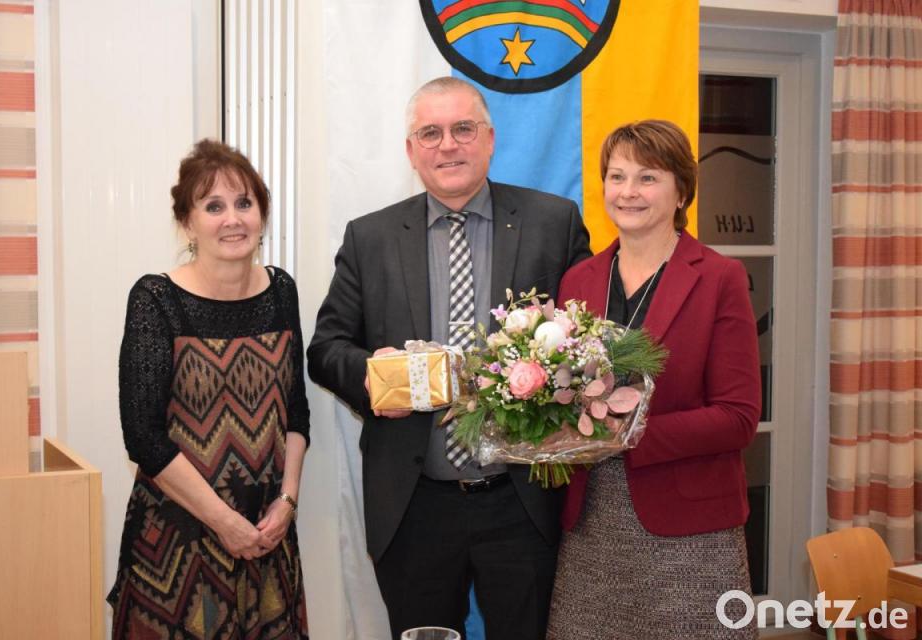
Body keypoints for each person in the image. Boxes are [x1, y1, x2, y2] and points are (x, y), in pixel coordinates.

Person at [307, 76, 591, 640]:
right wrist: (376, 378)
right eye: (430, 133)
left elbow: (587, 339)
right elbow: (325, 349)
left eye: (463, 129)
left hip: (522, 501)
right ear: (411, 150)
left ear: (490, 138)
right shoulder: (370, 237)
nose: (448, 145)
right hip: (415, 505)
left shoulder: (553, 221)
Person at [546, 120, 761, 639]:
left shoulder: (719, 278)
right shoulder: (578, 279)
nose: (628, 192)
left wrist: (625, 433)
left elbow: (738, 417)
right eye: (617, 176)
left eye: (648, 178)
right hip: (592, 522)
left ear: (681, 191)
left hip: (691, 530)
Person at [108, 139, 310, 639]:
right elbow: (143, 438)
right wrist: (225, 522)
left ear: (262, 214)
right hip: (179, 543)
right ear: (187, 222)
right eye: (213, 206)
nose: (232, 219)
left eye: (244, 203)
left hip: (267, 538)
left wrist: (286, 503)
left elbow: (296, 412)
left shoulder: (281, 291)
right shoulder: (156, 299)